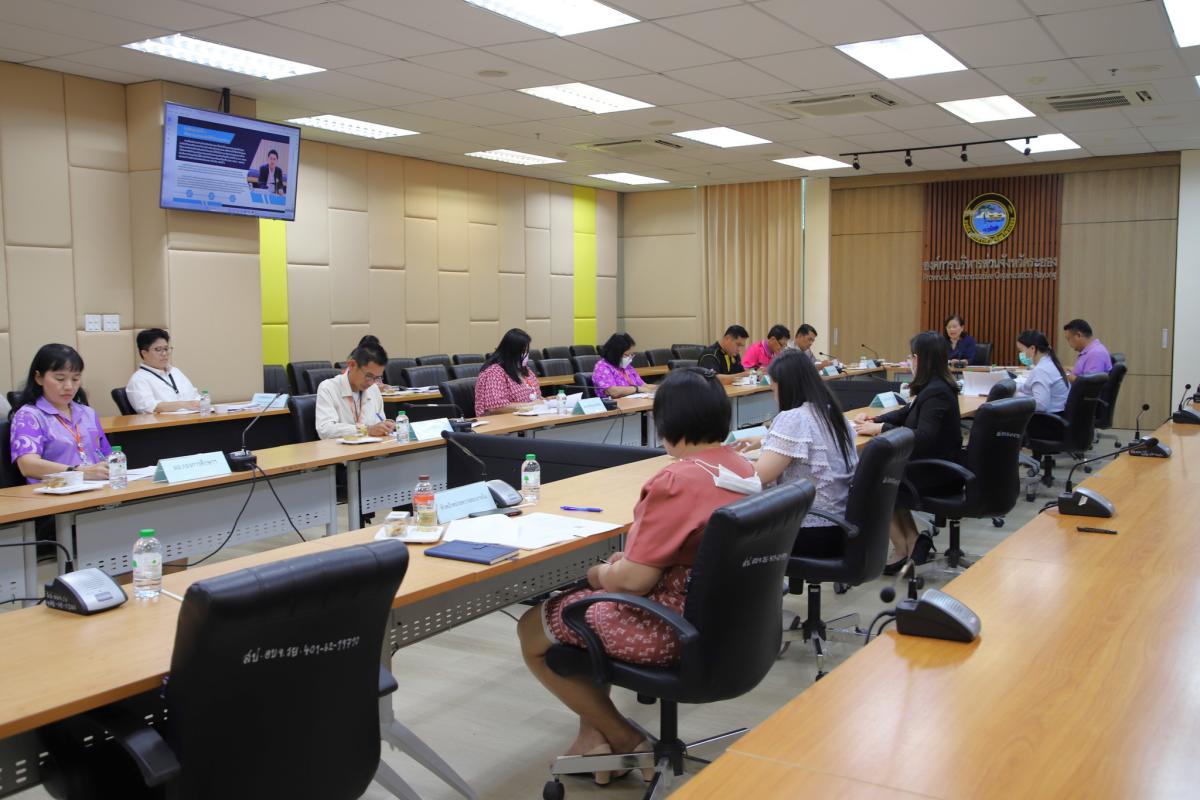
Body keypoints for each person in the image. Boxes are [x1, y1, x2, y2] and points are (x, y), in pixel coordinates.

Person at [517, 367, 755, 780]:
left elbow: (633, 582)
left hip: (676, 628)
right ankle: (592, 742)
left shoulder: (676, 479)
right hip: (731, 623)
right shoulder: (742, 468)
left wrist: (599, 573)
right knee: (584, 618)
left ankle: (624, 739)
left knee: (534, 627)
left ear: (668, 421)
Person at [853, 331, 961, 573]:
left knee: (873, 482)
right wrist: (875, 420)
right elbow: (907, 413)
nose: (909, 361)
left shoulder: (937, 391)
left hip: (937, 473)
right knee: (884, 476)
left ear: (920, 359)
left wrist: (881, 429)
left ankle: (905, 546)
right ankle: (911, 544)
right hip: (933, 466)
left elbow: (924, 436)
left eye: (911, 357)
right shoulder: (934, 387)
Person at [734, 350, 858, 558]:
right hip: (839, 526)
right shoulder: (831, 413)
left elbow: (759, 476)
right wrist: (765, 440)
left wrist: (727, 460)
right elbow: (810, 443)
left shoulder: (793, 418)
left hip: (810, 532)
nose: (774, 396)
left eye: (773, 389)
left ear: (785, 387)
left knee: (728, 535)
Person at [10, 344, 111, 483]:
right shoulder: (29, 416)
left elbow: (107, 455)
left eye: (75, 379)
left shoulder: (87, 413)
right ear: (38, 378)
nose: (69, 386)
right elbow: (28, 465)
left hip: (96, 488)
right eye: (60, 379)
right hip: (53, 491)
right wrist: (78, 472)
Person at [314, 340, 393, 440]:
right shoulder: (328, 388)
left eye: (377, 378)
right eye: (369, 376)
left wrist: (385, 426)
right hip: (340, 448)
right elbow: (325, 430)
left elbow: (380, 422)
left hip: (372, 447)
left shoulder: (374, 389)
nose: (371, 383)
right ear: (352, 365)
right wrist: (366, 430)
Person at [124, 328, 201, 414]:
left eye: (166, 349)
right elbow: (148, 407)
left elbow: (195, 397)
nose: (164, 353)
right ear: (144, 353)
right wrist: (184, 405)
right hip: (164, 422)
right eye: (158, 349)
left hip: (193, 418)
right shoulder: (139, 379)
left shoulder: (175, 372)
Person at [475, 328, 542, 416]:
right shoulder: (494, 372)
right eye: (523, 351)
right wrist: (530, 405)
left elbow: (536, 396)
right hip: (499, 421)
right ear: (512, 351)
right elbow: (495, 407)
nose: (526, 354)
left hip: (525, 418)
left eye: (526, 351)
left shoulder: (524, 369)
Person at [1016, 330, 1069, 414]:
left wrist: (1015, 396)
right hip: (1059, 414)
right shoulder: (1051, 362)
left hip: (1047, 418)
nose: (1021, 354)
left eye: (1021, 350)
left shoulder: (1041, 370)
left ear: (1032, 348)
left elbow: (1040, 405)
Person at [592, 332, 649, 400]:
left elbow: (643, 385)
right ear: (615, 353)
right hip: (615, 405)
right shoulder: (602, 367)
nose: (629, 358)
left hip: (633, 402)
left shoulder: (627, 367)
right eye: (626, 355)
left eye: (631, 354)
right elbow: (612, 391)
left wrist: (659, 389)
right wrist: (636, 389)